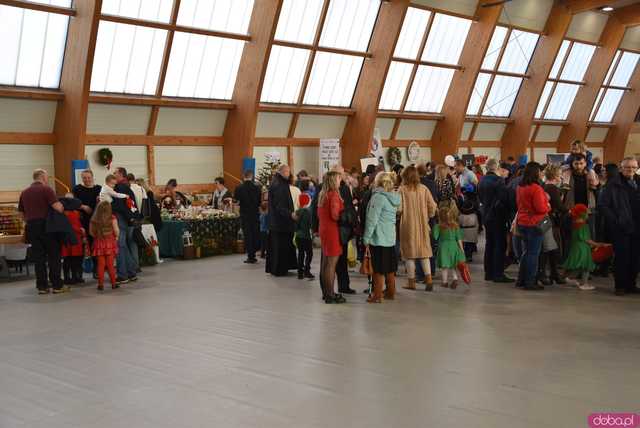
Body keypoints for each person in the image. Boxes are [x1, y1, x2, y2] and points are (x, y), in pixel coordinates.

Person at [18, 169, 68, 294]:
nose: (47, 179)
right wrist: (63, 206)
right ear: (42, 177)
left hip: (32, 227)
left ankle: (42, 287)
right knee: (54, 256)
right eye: (46, 177)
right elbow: (57, 207)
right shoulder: (47, 189)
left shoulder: (24, 192)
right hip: (48, 227)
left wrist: (29, 221)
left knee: (38, 258)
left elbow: (21, 213)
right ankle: (57, 285)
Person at [598, 157, 640, 296]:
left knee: (635, 257)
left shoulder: (638, 181)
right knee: (622, 257)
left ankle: (631, 285)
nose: (631, 170)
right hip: (621, 227)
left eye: (634, 167)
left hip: (637, 226)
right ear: (621, 168)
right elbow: (603, 205)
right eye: (628, 167)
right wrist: (616, 221)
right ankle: (620, 286)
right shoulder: (612, 184)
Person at [363, 172, 401, 303]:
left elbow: (371, 220)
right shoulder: (393, 197)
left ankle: (377, 295)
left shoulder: (378, 197)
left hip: (378, 238)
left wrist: (366, 238)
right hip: (390, 238)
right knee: (390, 268)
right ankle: (391, 292)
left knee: (377, 268)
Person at [398, 166, 437, 291]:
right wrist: (428, 216)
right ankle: (429, 279)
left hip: (407, 225)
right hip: (423, 225)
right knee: (424, 252)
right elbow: (433, 206)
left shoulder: (402, 190)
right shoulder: (424, 189)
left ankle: (411, 282)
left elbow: (398, 209)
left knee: (410, 255)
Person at [515, 162, 550, 291]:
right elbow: (541, 208)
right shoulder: (536, 188)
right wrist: (548, 205)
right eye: (540, 171)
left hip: (522, 221)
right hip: (535, 223)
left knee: (526, 252)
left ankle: (521, 279)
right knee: (533, 254)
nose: (541, 174)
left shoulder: (520, 186)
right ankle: (530, 281)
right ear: (536, 173)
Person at [478, 159, 513, 283]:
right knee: (500, 245)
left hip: (486, 216)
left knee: (490, 244)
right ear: (496, 167)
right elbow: (503, 200)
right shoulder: (499, 181)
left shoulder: (481, 180)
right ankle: (498, 273)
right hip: (498, 217)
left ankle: (489, 272)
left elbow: (480, 198)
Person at [561, 204, 608, 291]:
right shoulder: (583, 225)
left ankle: (568, 278)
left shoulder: (574, 224)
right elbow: (586, 239)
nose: (588, 214)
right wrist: (598, 244)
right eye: (586, 212)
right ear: (583, 214)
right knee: (586, 266)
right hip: (583, 248)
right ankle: (584, 283)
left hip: (575, 247)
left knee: (577, 266)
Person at [317, 171, 345, 303]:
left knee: (325, 263)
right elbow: (335, 215)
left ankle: (326, 292)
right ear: (334, 180)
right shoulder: (333, 195)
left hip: (324, 229)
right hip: (332, 230)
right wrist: (345, 216)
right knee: (331, 264)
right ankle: (330, 294)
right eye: (339, 179)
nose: (341, 181)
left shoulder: (323, 194)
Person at [266, 165, 298, 276]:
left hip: (276, 222)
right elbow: (280, 206)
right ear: (283, 172)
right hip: (281, 222)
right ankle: (280, 269)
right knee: (281, 247)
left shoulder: (277, 182)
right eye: (288, 171)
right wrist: (291, 214)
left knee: (277, 247)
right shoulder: (280, 185)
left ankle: (277, 268)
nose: (289, 174)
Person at [538, 164, 567, 285]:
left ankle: (550, 274)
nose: (561, 176)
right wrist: (570, 210)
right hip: (550, 222)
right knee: (551, 249)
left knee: (548, 249)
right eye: (560, 173)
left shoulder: (544, 185)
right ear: (555, 175)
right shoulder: (552, 188)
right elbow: (560, 207)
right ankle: (548, 274)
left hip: (545, 221)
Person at [112, 167, 138, 285]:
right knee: (123, 246)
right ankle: (131, 272)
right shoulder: (127, 187)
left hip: (121, 219)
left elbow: (119, 206)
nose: (113, 174)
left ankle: (122, 275)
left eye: (115, 173)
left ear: (121, 174)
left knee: (120, 246)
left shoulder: (119, 187)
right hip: (128, 220)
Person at [433, 204, 466, 289]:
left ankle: (445, 282)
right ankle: (455, 279)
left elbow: (435, 237)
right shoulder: (455, 226)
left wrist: (433, 229)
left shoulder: (439, 226)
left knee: (445, 266)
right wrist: (462, 250)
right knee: (453, 265)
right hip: (454, 246)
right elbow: (459, 239)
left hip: (444, 247)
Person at [90, 201, 119, 291]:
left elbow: (91, 232)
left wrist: (97, 236)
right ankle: (114, 284)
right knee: (110, 265)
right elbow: (116, 230)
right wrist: (117, 236)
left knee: (100, 265)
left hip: (99, 243)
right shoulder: (112, 218)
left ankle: (100, 285)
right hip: (110, 242)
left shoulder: (94, 219)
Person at [234, 170, 262, 264]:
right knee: (255, 233)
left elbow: (237, 202)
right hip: (255, 213)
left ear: (243, 176)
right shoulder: (257, 188)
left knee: (248, 234)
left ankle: (251, 256)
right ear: (252, 176)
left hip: (245, 214)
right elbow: (259, 202)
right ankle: (256, 250)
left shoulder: (239, 188)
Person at [60, 194, 86, 285]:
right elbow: (72, 226)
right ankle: (72, 277)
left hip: (72, 239)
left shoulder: (71, 212)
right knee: (72, 259)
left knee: (72, 259)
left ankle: (72, 277)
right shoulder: (69, 213)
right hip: (73, 238)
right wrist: (81, 230)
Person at [294, 193, 314, 280]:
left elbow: (296, 225)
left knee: (301, 254)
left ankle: (300, 273)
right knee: (309, 253)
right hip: (306, 236)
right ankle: (307, 270)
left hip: (298, 236)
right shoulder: (308, 212)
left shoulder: (297, 211)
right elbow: (310, 225)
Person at [459, 197, 479, 263]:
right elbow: (477, 225)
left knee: (464, 245)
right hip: (472, 232)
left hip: (463, 231)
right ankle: (469, 256)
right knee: (469, 245)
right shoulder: (474, 215)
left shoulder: (461, 216)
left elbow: (459, 224)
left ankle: (464, 256)